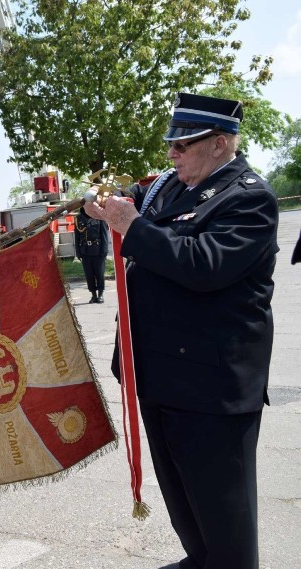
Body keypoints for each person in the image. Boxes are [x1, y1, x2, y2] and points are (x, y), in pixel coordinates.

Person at [85, 92, 278, 569]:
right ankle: (201, 557)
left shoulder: (249, 197)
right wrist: (110, 207)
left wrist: (132, 225)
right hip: (162, 374)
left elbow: (203, 265)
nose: (171, 153)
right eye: (171, 143)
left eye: (183, 144)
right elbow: (150, 218)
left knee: (225, 515)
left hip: (210, 386)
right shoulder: (173, 186)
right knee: (183, 500)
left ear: (220, 143)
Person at [74, 208, 109, 303]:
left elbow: (104, 235)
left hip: (98, 251)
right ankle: (93, 295)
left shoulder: (100, 217)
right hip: (85, 251)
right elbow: (77, 237)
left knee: (100, 274)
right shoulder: (79, 218)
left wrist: (104, 251)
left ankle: (100, 294)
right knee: (89, 275)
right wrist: (78, 252)